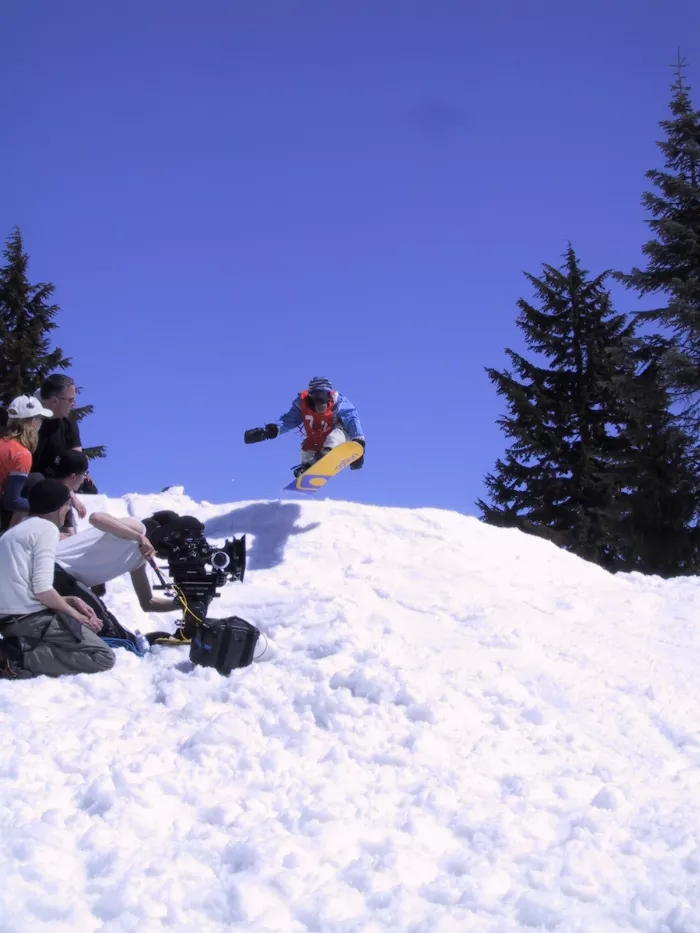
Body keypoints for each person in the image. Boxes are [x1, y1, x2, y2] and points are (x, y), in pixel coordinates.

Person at [0, 479, 115, 679]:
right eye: (66, 505)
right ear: (57, 507)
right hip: (27, 618)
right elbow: (43, 590)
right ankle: (14, 655)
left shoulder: (18, 530)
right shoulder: (46, 529)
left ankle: (18, 648)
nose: (68, 511)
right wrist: (75, 615)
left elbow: (25, 585)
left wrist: (71, 600)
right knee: (102, 656)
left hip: (8, 617)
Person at [56, 512, 180, 614]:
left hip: (67, 583)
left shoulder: (139, 560)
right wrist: (139, 537)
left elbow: (148, 603)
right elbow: (96, 518)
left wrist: (184, 604)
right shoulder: (138, 528)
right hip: (54, 567)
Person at [244, 376, 366, 474]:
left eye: (325, 395)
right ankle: (308, 466)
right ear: (311, 395)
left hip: (336, 434)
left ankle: (328, 453)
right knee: (306, 450)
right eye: (318, 396)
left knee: (335, 436)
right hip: (316, 438)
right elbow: (289, 420)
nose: (322, 400)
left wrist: (358, 441)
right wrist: (271, 430)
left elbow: (351, 418)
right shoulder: (302, 405)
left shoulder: (338, 402)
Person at [2, 449, 88, 533]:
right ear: (73, 476)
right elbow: (15, 526)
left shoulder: (63, 496)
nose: (85, 478)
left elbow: (69, 533)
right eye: (84, 473)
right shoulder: (37, 486)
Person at [0, 395, 54, 529]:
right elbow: (12, 501)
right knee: (36, 480)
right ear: (32, 422)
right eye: (40, 418)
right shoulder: (21, 454)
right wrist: (45, 508)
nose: (41, 423)